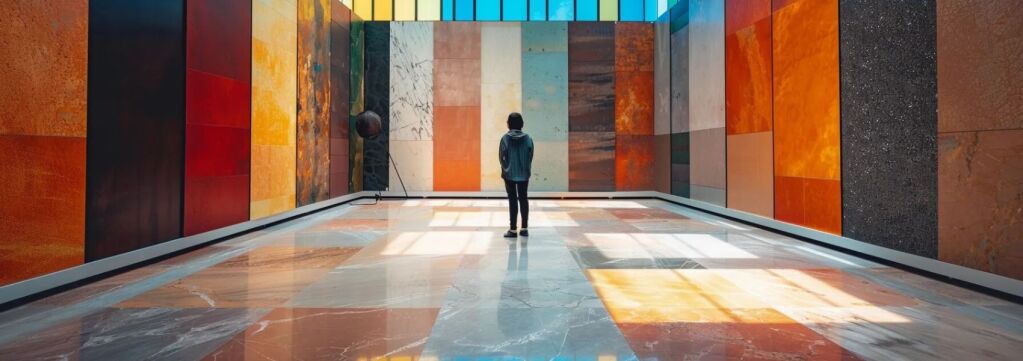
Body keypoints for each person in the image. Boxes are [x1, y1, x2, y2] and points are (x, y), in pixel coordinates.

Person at [499, 112, 534, 238]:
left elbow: (501, 157)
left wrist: (506, 168)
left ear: (508, 125)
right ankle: (524, 228)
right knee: (523, 199)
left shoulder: (505, 138)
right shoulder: (528, 138)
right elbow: (530, 156)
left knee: (512, 200)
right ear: (522, 124)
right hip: (524, 174)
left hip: (509, 174)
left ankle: (513, 229)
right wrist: (525, 168)